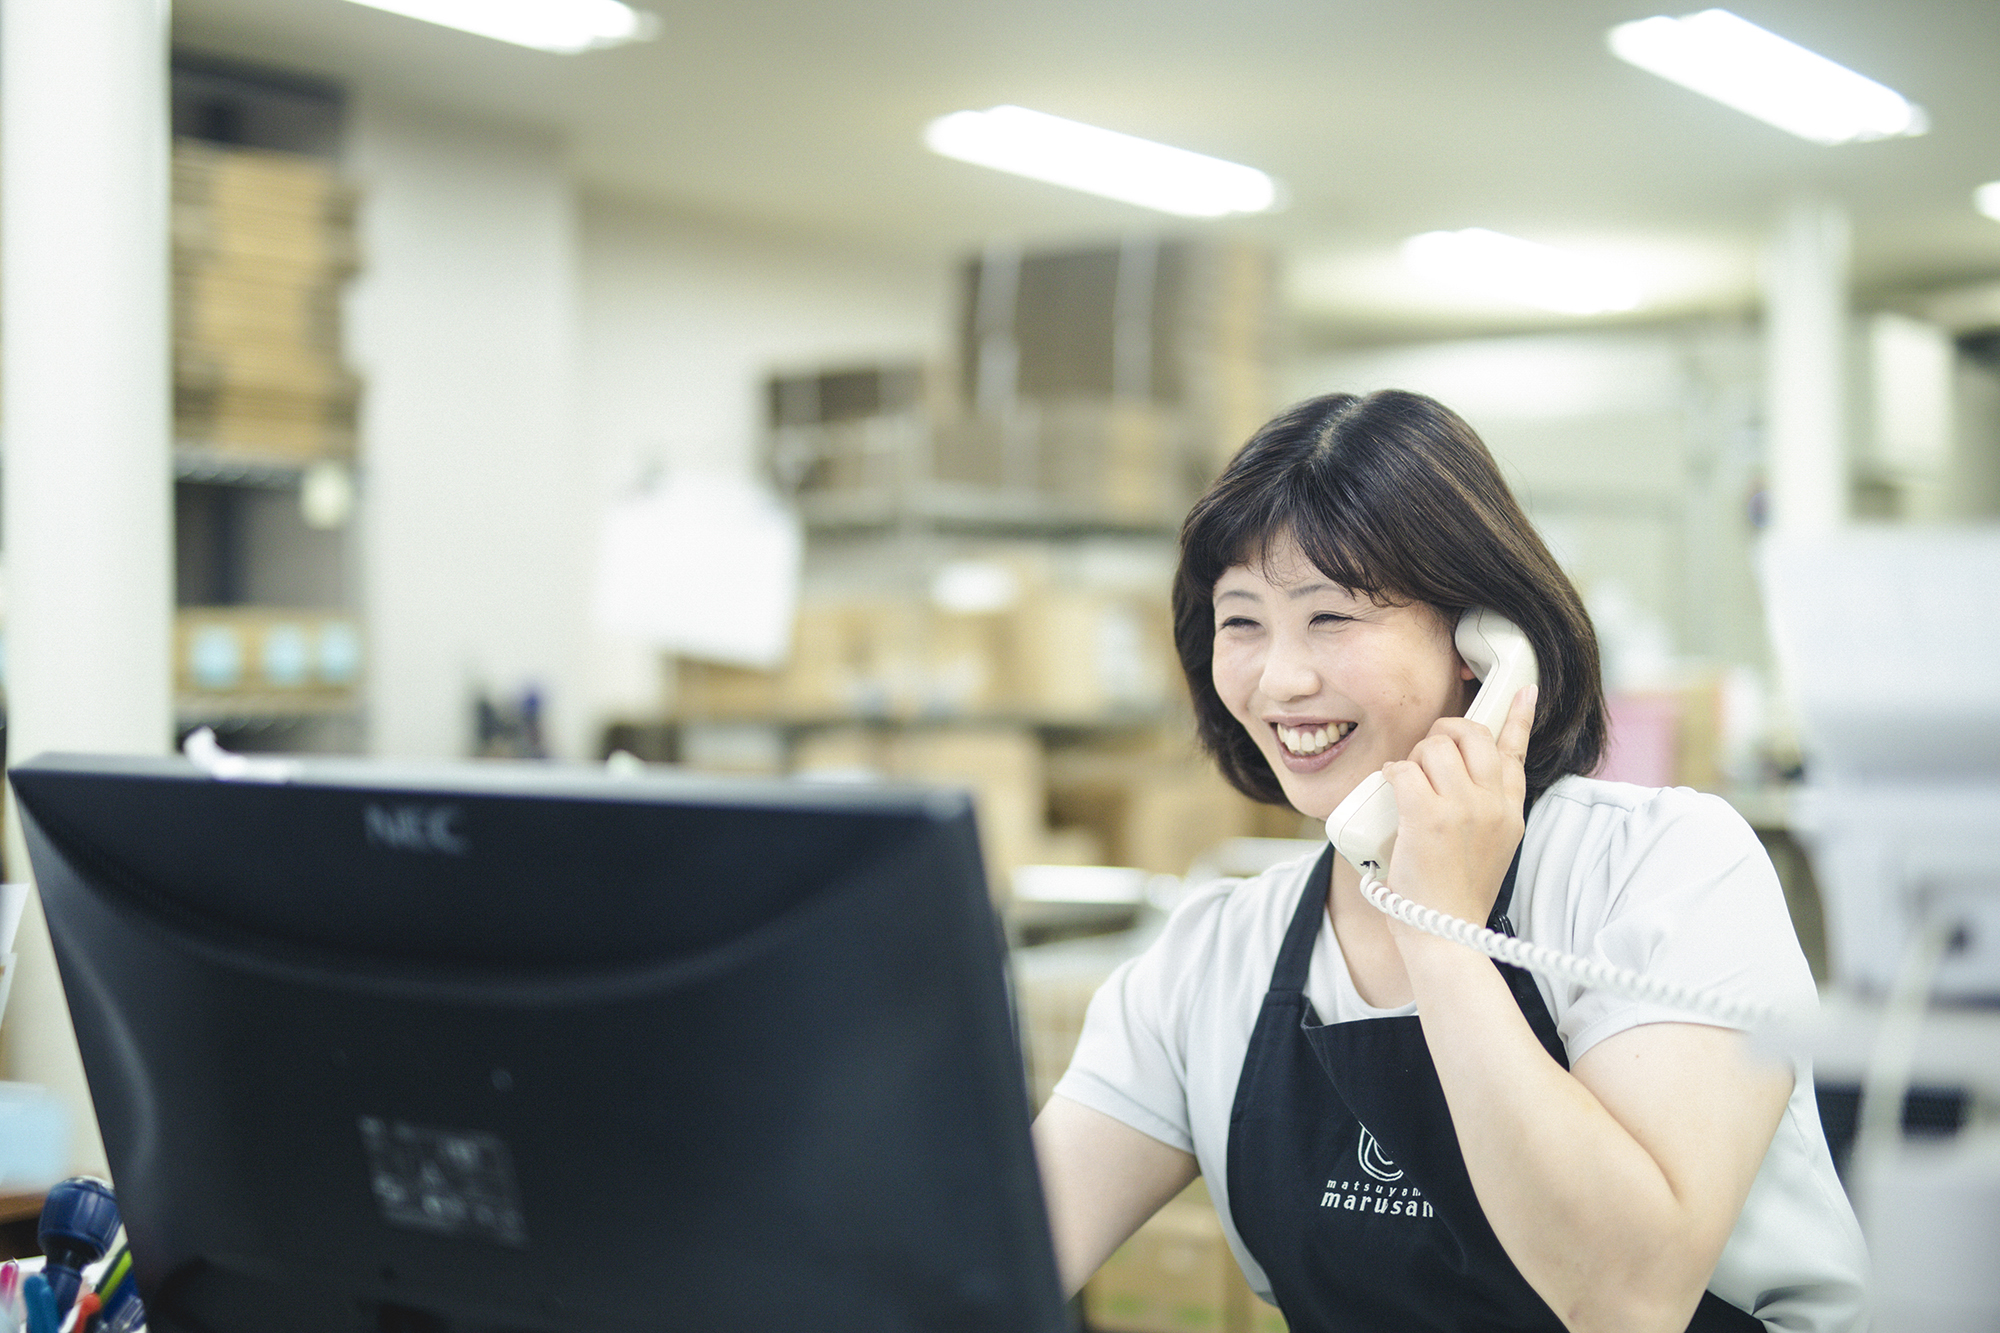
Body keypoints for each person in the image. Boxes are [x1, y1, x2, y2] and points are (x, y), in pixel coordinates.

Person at [1032, 390, 1868, 1332]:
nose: (1280, 679)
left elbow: (1629, 1300)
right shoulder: (1213, 956)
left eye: (1330, 615)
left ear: (1481, 640)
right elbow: (993, 1258)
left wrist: (1439, 928)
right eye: (1242, 621)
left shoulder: (1665, 869)